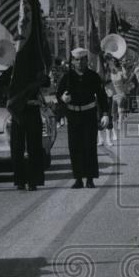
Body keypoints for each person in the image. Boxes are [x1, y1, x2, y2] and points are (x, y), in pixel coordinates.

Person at [57, 47, 109, 188]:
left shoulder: (93, 76)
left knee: (89, 147)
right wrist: (63, 97)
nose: (79, 62)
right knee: (75, 147)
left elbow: (102, 96)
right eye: (76, 60)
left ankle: (90, 178)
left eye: (82, 60)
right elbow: (58, 94)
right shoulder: (67, 77)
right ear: (72, 61)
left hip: (89, 115)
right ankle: (78, 178)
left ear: (87, 60)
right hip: (73, 115)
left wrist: (105, 114)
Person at [0, 41, 49, 192]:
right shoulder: (12, 72)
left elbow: (46, 82)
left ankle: (33, 181)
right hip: (17, 113)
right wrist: (7, 96)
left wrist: (41, 76)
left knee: (34, 147)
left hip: (32, 109)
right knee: (17, 148)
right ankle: (20, 181)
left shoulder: (35, 70)